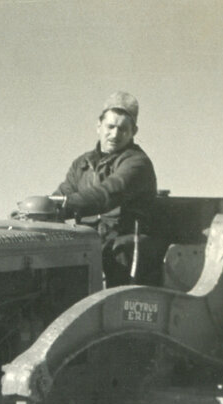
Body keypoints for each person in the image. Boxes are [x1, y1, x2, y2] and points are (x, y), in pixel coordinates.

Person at [51, 91, 162, 286]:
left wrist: (66, 204)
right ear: (99, 126)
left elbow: (107, 193)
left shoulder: (137, 163)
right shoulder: (82, 164)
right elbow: (63, 193)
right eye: (110, 127)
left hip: (123, 239)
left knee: (114, 251)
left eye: (123, 129)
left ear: (133, 132)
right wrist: (40, 210)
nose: (115, 134)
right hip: (90, 239)